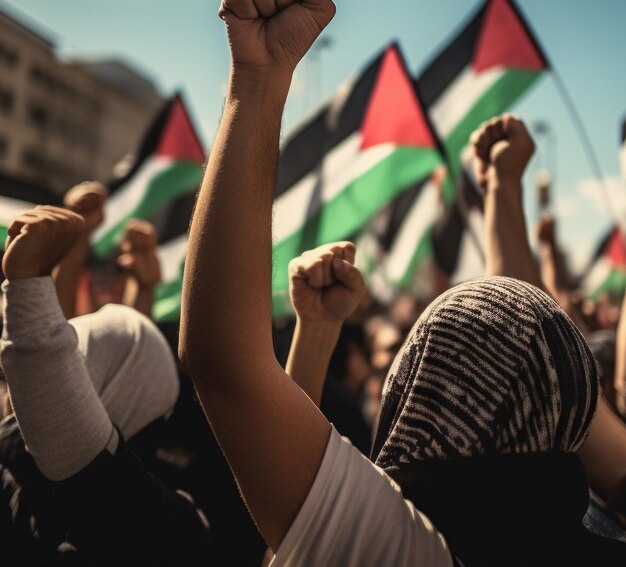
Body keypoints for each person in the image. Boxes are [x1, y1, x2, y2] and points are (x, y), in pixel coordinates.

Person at [179, 1, 453, 565]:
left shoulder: (414, 550)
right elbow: (287, 482)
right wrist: (319, 334)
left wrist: (257, 80)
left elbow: (225, 363)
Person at [0, 205, 212, 565]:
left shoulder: (170, 528)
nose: (15, 390)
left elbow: (77, 448)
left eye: (77, 370)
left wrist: (29, 279)